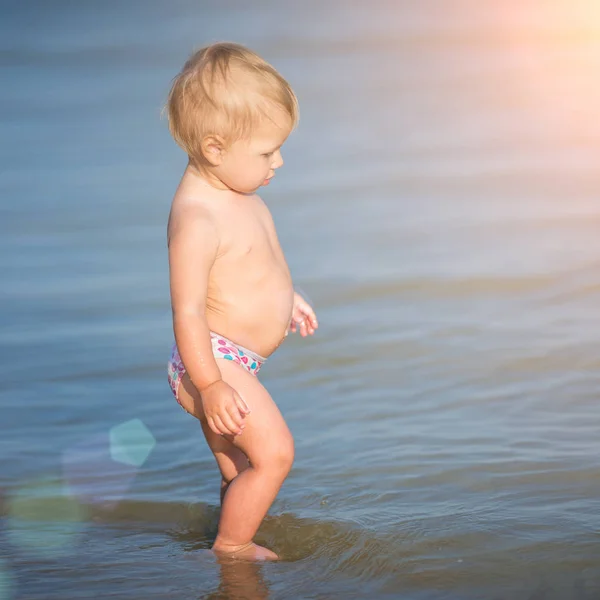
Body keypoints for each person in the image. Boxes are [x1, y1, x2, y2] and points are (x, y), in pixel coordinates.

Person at [164, 42, 318, 561]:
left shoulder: (236, 191)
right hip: (212, 360)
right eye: (266, 151)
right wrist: (208, 385)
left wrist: (285, 297)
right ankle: (232, 547)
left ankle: (229, 527)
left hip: (235, 360)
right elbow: (186, 309)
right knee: (275, 454)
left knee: (239, 469)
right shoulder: (196, 218)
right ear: (214, 147)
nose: (279, 160)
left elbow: (251, 263)